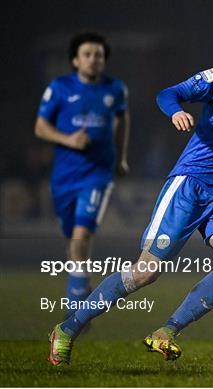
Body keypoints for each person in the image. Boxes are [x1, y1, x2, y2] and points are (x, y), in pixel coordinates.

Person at [47, 22, 213, 366]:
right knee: (145, 273)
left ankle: (167, 330)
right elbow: (168, 93)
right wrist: (177, 111)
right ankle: (68, 328)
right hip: (189, 186)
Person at [35, 32, 130, 321]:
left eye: (98, 55)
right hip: (64, 177)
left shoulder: (115, 89)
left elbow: (123, 120)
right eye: (88, 54)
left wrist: (121, 157)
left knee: (82, 234)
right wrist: (68, 140)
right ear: (76, 60)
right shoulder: (60, 88)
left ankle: (76, 311)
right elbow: (40, 127)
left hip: (98, 173)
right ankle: (80, 284)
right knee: (73, 241)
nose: (93, 59)